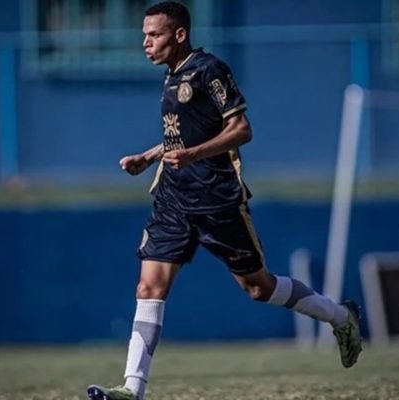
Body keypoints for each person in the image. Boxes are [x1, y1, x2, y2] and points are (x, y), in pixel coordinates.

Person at [87, 3, 362, 399]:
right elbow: (184, 134)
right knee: (149, 288)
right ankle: (133, 389)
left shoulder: (210, 69)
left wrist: (195, 155)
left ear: (180, 34)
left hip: (216, 199)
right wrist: (149, 157)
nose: (146, 43)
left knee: (258, 287)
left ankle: (340, 317)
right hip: (173, 199)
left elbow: (241, 129)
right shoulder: (171, 77)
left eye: (155, 35)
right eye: (144, 35)